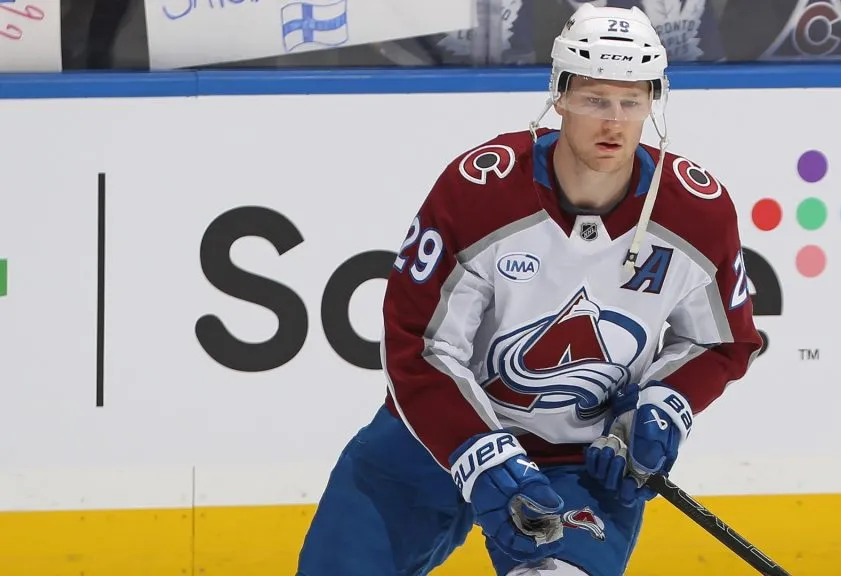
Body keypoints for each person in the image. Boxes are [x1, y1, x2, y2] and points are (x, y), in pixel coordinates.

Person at [296, 4, 762, 575]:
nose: (614, 122)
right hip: (435, 437)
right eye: (595, 99)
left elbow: (721, 341)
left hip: (580, 462)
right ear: (559, 95)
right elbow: (419, 342)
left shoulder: (696, 212)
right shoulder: (480, 191)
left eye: (631, 100)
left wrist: (662, 407)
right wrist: (478, 452)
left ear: (654, 101)